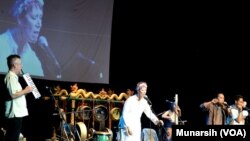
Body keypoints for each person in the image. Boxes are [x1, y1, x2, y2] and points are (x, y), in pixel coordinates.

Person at [0, 0, 45, 77]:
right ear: (20, 19)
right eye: (34, 17)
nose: (39, 24)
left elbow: (34, 87)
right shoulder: (1, 44)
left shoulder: (33, 58)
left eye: (40, 18)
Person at [3, 54, 33, 141]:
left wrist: (26, 92)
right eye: (20, 64)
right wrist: (25, 91)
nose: (21, 66)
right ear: (15, 65)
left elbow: (17, 94)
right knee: (12, 137)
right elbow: (13, 95)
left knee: (13, 137)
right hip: (14, 113)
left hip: (17, 113)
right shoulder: (11, 77)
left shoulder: (14, 78)